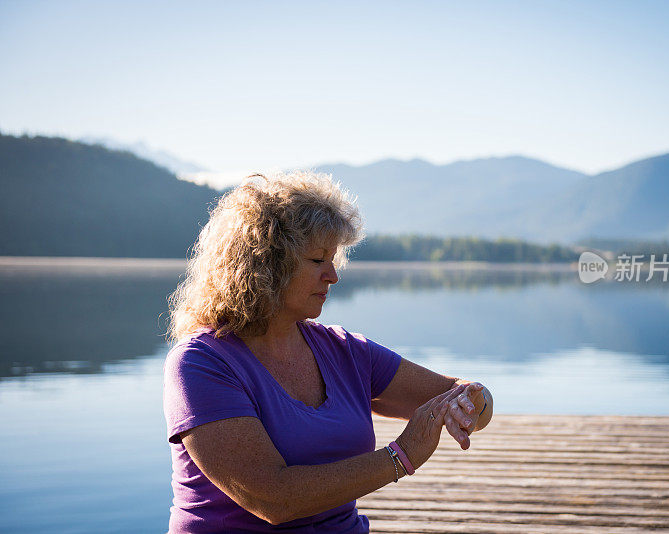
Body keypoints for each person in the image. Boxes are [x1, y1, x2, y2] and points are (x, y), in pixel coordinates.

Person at [163, 171, 494, 533]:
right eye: (318, 260)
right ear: (266, 263)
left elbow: (459, 394)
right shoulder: (201, 362)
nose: (333, 275)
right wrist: (402, 456)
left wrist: (471, 402)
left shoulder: (346, 352)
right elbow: (273, 499)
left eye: (333, 259)